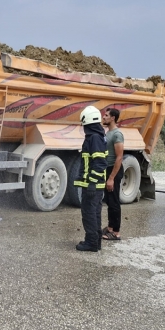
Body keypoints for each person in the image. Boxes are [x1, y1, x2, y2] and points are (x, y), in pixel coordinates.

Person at [74, 106, 108, 252]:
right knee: (94, 213)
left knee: (89, 214)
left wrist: (92, 183)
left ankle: (91, 243)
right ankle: (96, 241)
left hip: (92, 184)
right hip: (94, 184)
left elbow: (100, 163)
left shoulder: (94, 138)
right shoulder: (97, 137)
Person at [102, 108, 124, 241]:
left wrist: (111, 178)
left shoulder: (117, 134)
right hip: (107, 169)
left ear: (113, 118)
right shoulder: (108, 133)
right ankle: (110, 228)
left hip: (113, 171)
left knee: (114, 202)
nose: (103, 117)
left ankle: (116, 232)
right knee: (109, 201)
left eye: (106, 115)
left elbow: (119, 157)